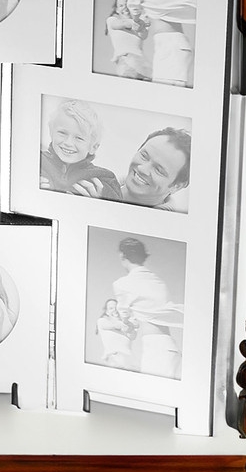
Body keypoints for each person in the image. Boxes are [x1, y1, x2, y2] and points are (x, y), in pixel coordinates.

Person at [71, 126, 190, 212]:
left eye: (159, 170)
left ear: (177, 186)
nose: (142, 169)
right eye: (144, 156)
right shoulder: (93, 182)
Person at [112, 238, 184, 379]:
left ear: (122, 255)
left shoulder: (122, 284)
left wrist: (127, 324)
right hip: (168, 346)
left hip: (155, 348)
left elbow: (125, 317)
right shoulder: (158, 281)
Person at [40, 99, 122, 200]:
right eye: (62, 133)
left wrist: (100, 201)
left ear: (93, 147)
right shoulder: (37, 161)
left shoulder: (105, 179)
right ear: (51, 132)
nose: (68, 143)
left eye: (79, 138)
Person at [104, 0, 151, 80]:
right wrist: (139, 22)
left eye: (127, 5)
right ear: (117, 10)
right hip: (127, 63)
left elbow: (143, 35)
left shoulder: (137, 24)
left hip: (144, 66)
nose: (125, 7)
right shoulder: (112, 20)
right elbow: (123, 23)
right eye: (121, 6)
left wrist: (143, 22)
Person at [95, 298, 137, 369]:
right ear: (107, 312)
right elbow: (116, 325)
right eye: (111, 308)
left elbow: (133, 336)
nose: (115, 310)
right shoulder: (102, 321)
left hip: (129, 362)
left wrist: (131, 324)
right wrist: (127, 324)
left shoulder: (127, 325)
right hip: (114, 360)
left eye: (117, 308)